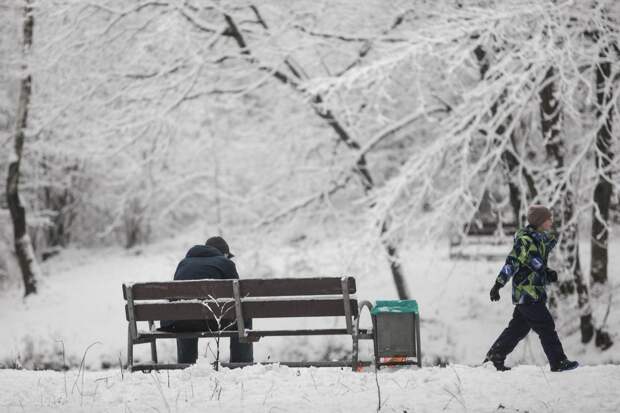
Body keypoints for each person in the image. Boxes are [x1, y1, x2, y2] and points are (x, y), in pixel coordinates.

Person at [484, 205, 578, 372]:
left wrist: (547, 273)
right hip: (527, 293)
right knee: (546, 325)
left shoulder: (539, 240)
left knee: (517, 329)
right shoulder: (525, 241)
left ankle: (494, 358)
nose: (551, 221)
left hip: (534, 292)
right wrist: (498, 284)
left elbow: (534, 264)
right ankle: (558, 362)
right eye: (548, 218)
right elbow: (512, 263)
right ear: (540, 221)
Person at [159, 236, 253, 365]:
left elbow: (174, 297)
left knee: (184, 314)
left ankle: (186, 364)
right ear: (225, 254)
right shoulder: (226, 263)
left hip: (181, 323)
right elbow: (237, 297)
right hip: (214, 321)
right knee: (243, 315)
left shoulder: (183, 263)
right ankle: (241, 364)